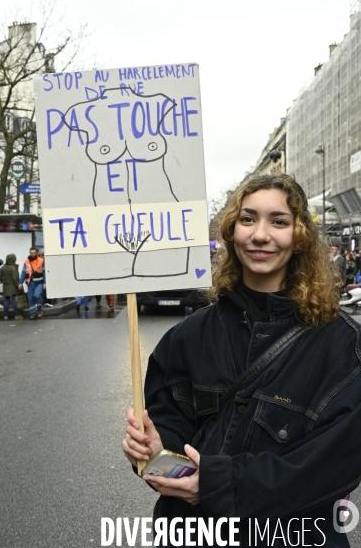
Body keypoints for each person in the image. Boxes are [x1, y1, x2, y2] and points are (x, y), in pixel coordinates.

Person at [122, 173, 361, 547]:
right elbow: (171, 426)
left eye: (279, 221)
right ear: (232, 231)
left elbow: (335, 461)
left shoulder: (344, 344)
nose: (260, 235)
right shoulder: (187, 337)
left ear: (299, 236)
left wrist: (218, 483)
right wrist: (156, 450)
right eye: (248, 219)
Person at [18, 247, 46, 320]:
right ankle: (33, 313)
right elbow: (24, 273)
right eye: (31, 253)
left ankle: (39, 309)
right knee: (31, 298)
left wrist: (45, 283)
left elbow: (44, 273)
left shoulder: (41, 261)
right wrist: (20, 283)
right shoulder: (27, 262)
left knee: (37, 295)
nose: (32, 254)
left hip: (39, 282)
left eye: (33, 253)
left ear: (37, 253)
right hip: (31, 283)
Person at [0, 254, 23, 320]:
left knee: (6, 300)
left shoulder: (3, 267)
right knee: (14, 300)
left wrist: (3, 281)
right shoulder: (13, 268)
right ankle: (16, 315)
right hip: (13, 286)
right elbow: (15, 278)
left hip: (6, 285)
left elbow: (0, 277)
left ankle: (6, 315)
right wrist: (17, 285)